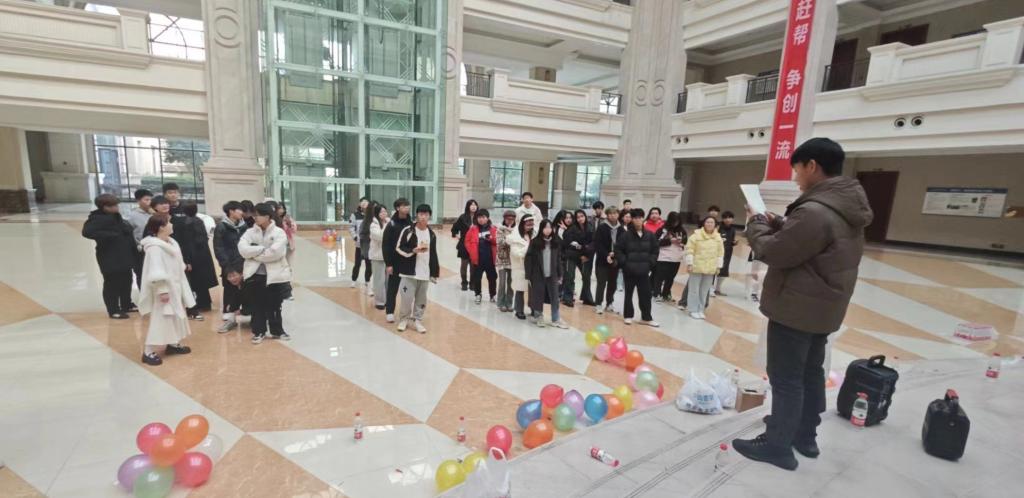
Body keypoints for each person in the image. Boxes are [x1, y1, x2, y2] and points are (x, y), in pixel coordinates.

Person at [732, 138, 872, 471]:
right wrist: (780, 223)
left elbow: (774, 251)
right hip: (823, 308)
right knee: (810, 373)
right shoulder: (844, 205)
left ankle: (777, 445)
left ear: (812, 166)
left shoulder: (815, 210)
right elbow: (814, 241)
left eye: (797, 170)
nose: (796, 178)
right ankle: (805, 436)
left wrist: (755, 223)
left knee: (786, 378)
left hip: (797, 308)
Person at [137, 214, 194, 366]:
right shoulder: (155, 248)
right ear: (161, 227)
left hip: (175, 287)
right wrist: (162, 290)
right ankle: (148, 351)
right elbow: (155, 270)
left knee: (176, 316)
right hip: (164, 290)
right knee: (161, 318)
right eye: (169, 222)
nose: (171, 224)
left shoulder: (171, 242)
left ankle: (173, 343)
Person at [238, 202, 293, 344]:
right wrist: (262, 249)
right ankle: (259, 332)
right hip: (254, 275)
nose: (255, 218)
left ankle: (277, 331)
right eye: (254, 215)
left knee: (274, 306)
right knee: (256, 306)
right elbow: (242, 249)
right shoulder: (250, 232)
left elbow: (276, 253)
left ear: (267, 216)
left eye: (258, 215)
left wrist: (254, 254)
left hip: (274, 276)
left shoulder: (279, 232)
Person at [82, 194, 138, 319]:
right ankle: (113, 310)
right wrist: (112, 235)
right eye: (113, 206)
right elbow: (87, 232)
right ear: (105, 207)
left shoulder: (115, 216)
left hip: (124, 255)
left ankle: (126, 304)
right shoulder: (97, 218)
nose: (116, 207)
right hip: (110, 256)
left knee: (126, 280)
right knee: (112, 283)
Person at [394, 204, 439, 333]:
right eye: (421, 214)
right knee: (406, 298)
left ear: (429, 216)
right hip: (409, 272)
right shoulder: (409, 230)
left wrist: (434, 272)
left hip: (424, 272)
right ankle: (403, 319)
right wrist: (413, 251)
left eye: (426, 214)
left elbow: (433, 254)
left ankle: (417, 320)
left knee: (421, 299)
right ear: (417, 215)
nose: (423, 217)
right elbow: (399, 247)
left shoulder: (431, 234)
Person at [615, 208, 660, 327]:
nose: (638, 220)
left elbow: (655, 250)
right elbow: (618, 250)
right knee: (628, 294)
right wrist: (625, 263)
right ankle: (628, 316)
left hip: (644, 270)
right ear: (632, 219)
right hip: (629, 270)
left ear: (643, 219)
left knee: (645, 295)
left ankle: (646, 318)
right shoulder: (625, 235)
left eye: (640, 218)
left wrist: (650, 263)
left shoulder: (650, 235)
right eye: (635, 218)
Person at [177, 202, 218, 319]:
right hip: (202, 255)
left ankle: (201, 303)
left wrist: (188, 259)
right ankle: (205, 303)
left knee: (196, 281)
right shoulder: (199, 220)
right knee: (202, 282)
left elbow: (188, 242)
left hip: (193, 255)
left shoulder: (187, 223)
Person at [525, 219, 567, 329]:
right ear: (541, 229)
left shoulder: (555, 242)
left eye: (550, 227)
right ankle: (538, 317)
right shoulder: (535, 242)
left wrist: (560, 274)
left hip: (552, 274)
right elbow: (528, 259)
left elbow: (558, 259)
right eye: (545, 227)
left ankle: (555, 318)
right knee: (538, 296)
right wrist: (528, 275)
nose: (548, 230)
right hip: (538, 274)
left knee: (555, 297)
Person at [213, 201, 248, 333]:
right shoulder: (221, 227)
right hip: (229, 265)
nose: (241, 213)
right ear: (231, 211)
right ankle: (230, 319)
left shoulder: (244, 226)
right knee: (230, 291)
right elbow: (218, 248)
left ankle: (247, 314)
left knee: (245, 288)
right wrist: (227, 267)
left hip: (244, 263)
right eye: (239, 210)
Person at [684, 216, 723, 320]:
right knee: (694, 289)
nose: (709, 224)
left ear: (715, 225)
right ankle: (693, 309)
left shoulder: (718, 238)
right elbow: (689, 250)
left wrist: (718, 266)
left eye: (712, 222)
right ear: (704, 223)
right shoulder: (695, 236)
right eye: (707, 222)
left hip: (710, 268)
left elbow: (720, 253)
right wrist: (689, 263)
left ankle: (700, 309)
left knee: (704, 290)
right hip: (696, 266)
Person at [382, 198, 412, 323]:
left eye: (408, 205)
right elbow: (386, 245)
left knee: (407, 289)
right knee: (392, 288)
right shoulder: (392, 224)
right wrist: (388, 264)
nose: (407, 208)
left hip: (407, 261)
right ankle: (389, 311)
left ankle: (406, 313)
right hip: (394, 262)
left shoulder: (411, 223)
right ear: (398, 208)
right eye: (404, 206)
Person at [562, 209, 595, 307]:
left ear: (585, 216)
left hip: (585, 256)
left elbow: (593, 243)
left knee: (586, 277)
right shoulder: (572, 228)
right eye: (578, 217)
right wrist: (581, 249)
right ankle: (568, 298)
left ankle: (587, 298)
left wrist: (586, 254)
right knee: (570, 277)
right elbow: (569, 242)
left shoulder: (590, 227)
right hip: (572, 256)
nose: (580, 219)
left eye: (582, 216)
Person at [651, 212, 686, 302]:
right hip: (663, 257)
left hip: (676, 258)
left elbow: (685, 242)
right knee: (659, 276)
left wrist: (681, 242)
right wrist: (669, 241)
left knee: (671, 277)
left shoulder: (682, 231)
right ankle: (657, 293)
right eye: (674, 221)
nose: (675, 223)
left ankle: (666, 294)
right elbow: (655, 243)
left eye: (677, 221)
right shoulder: (662, 230)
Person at [466, 209, 498, 304]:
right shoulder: (473, 229)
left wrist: (491, 239)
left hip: (490, 259)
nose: (481, 219)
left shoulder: (493, 229)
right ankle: (478, 294)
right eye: (479, 217)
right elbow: (467, 241)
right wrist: (471, 252)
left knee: (492, 278)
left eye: (483, 217)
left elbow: (497, 241)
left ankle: (492, 295)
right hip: (477, 259)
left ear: (487, 218)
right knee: (477, 278)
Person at [593, 206, 620, 315]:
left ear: (618, 215)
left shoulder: (621, 229)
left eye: (615, 213)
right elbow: (598, 244)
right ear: (607, 215)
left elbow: (623, 244)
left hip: (615, 260)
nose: (613, 216)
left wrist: (615, 254)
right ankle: (598, 303)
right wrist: (606, 255)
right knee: (601, 283)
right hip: (602, 260)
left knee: (613, 283)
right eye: (610, 214)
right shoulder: (602, 227)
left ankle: (609, 303)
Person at [126, 188, 153, 288]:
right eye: (146, 199)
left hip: (154, 248)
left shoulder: (154, 212)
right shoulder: (132, 216)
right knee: (141, 274)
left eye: (150, 199)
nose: (149, 202)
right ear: (138, 201)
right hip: (140, 250)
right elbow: (129, 234)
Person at [509, 214, 535, 320]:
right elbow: (516, 253)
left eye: (531, 225)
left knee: (533, 289)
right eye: (527, 225)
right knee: (520, 289)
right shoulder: (515, 237)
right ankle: (519, 310)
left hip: (533, 266)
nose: (529, 227)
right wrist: (529, 247)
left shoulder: (534, 235)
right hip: (520, 266)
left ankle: (534, 308)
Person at [451, 200, 478, 291]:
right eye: (471, 205)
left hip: (475, 244)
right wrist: (457, 236)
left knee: (473, 265)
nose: (473, 206)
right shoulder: (463, 217)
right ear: (468, 206)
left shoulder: (479, 217)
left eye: (475, 205)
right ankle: (464, 282)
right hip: (464, 244)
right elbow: (454, 228)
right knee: (464, 264)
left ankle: (472, 283)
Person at [368, 203, 389, 309]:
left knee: (388, 280)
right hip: (377, 257)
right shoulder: (373, 225)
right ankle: (380, 302)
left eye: (385, 211)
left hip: (388, 256)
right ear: (377, 213)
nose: (384, 213)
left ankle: (387, 300)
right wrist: (387, 225)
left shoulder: (388, 222)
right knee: (379, 280)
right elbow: (381, 236)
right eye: (381, 212)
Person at [496, 210, 517, 312]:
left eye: (512, 219)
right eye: (508, 219)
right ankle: (500, 303)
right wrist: (510, 239)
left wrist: (510, 240)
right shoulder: (500, 229)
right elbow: (500, 243)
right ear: (504, 219)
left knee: (511, 283)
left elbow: (518, 242)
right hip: (502, 259)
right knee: (502, 283)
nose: (510, 221)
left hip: (513, 259)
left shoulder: (517, 230)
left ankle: (509, 303)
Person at [715, 211, 739, 296]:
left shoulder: (733, 229)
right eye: (725, 218)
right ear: (722, 219)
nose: (728, 219)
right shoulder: (718, 227)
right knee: (715, 269)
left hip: (728, 252)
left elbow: (731, 241)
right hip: (717, 252)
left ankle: (718, 289)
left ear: (733, 219)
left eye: (730, 217)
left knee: (724, 270)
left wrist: (734, 243)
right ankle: (710, 289)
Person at [350, 197, 372, 288]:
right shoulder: (355, 215)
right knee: (357, 264)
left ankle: (367, 280)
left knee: (369, 264)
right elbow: (351, 227)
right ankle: (353, 280)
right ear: (360, 204)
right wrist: (355, 237)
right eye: (363, 203)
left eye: (366, 203)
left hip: (369, 244)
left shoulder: (372, 215)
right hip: (359, 244)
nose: (364, 205)